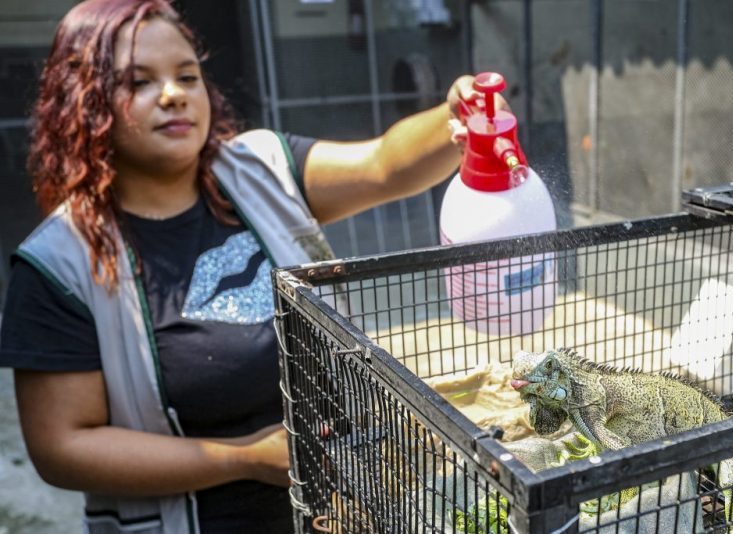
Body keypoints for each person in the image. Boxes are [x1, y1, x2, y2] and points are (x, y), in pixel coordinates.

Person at [0, 0, 508, 532]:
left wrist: (458, 120)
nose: (173, 94)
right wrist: (243, 456)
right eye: (140, 82)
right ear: (85, 101)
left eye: (187, 76)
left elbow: (382, 165)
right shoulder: (59, 262)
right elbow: (63, 446)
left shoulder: (259, 167)